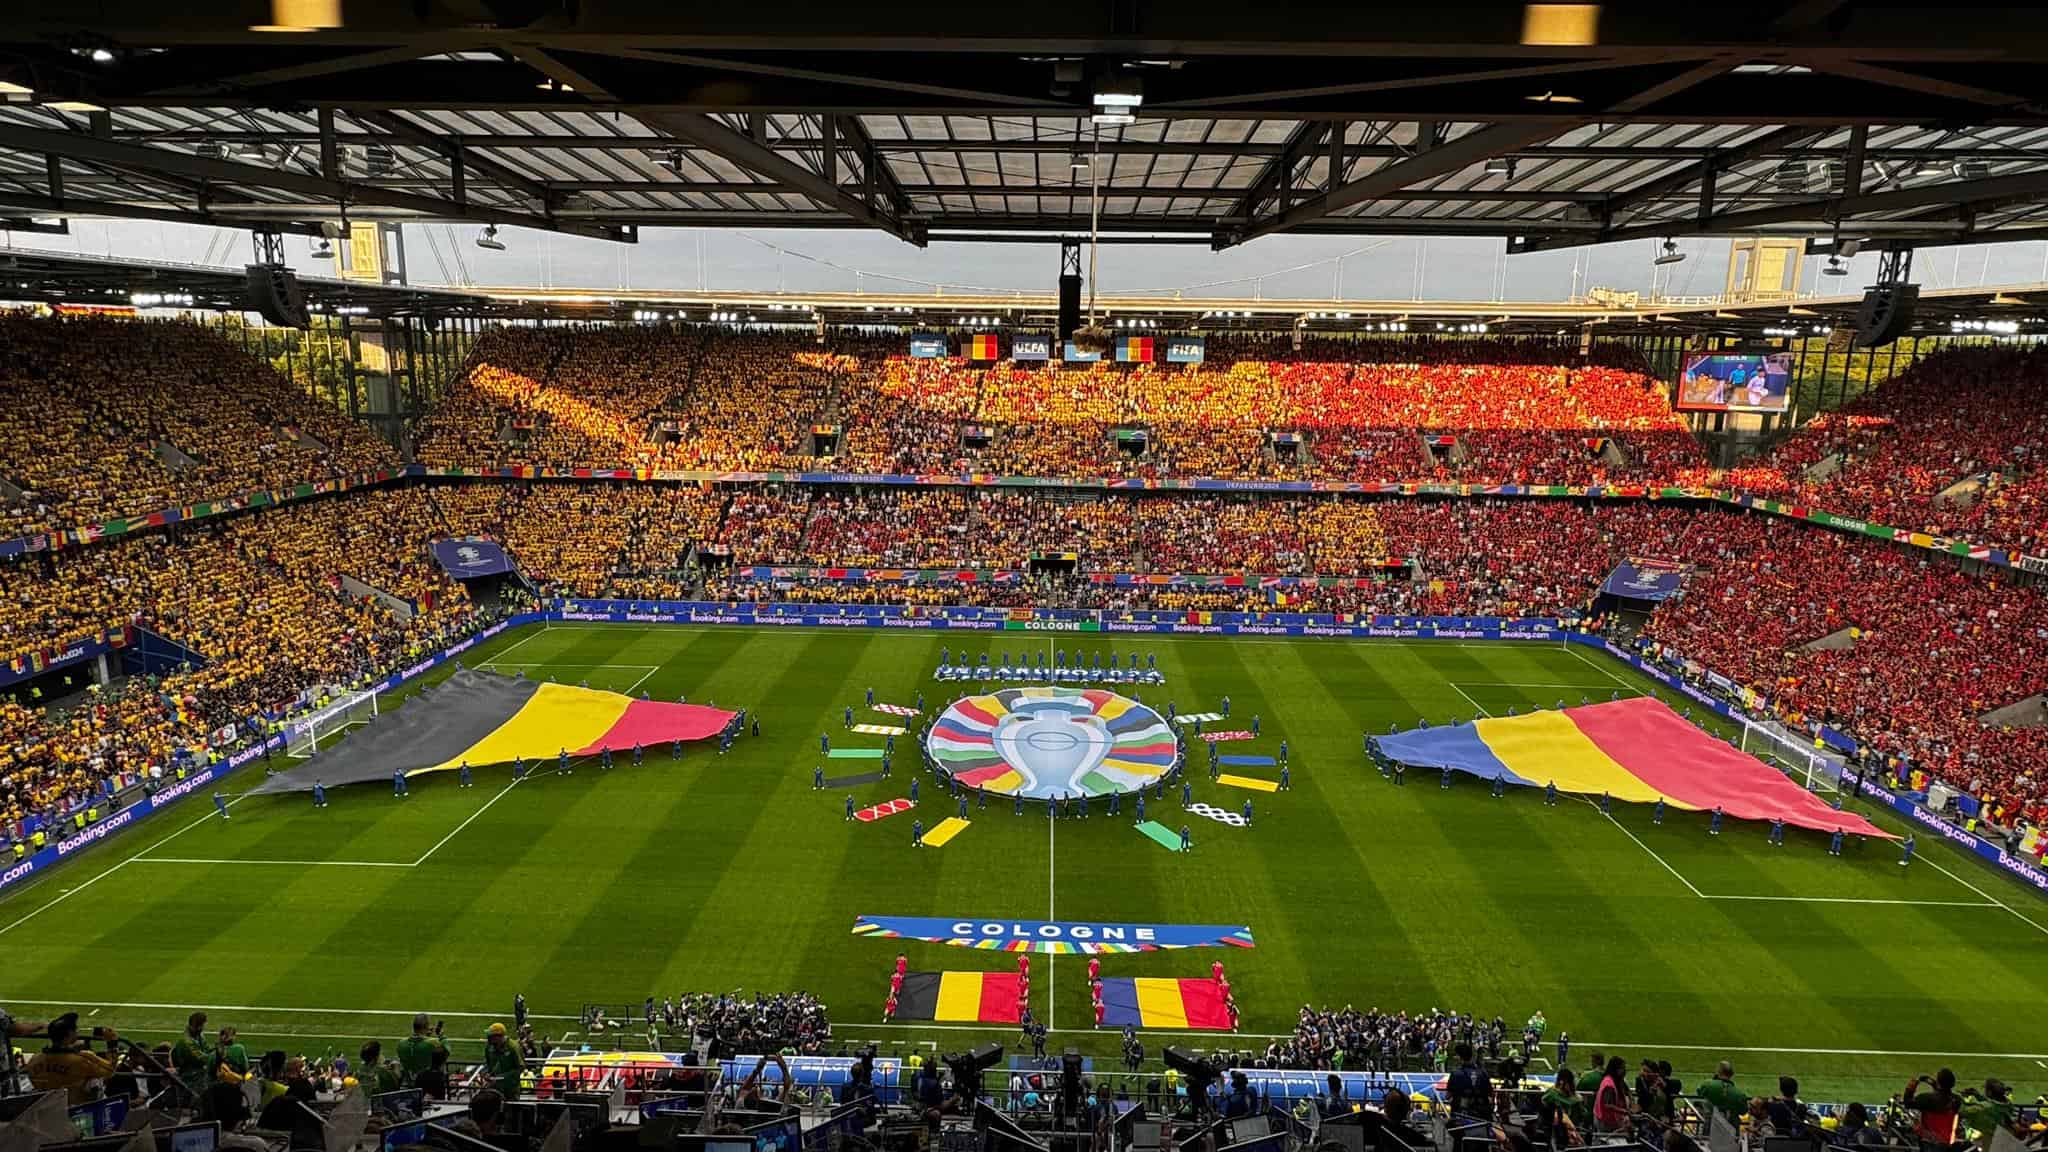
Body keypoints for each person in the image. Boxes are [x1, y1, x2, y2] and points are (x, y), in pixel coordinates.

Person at [26, 1013, 118, 1105]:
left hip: (46, 1108)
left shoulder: (34, 1060)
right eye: (75, 1029)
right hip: (74, 1110)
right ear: (70, 1033)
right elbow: (110, 1071)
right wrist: (112, 1043)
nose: (78, 1032)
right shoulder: (80, 1060)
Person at [1905, 1069, 1960, 1145]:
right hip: (1948, 1141)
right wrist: (1933, 1083)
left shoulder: (1926, 1098)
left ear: (1938, 1082)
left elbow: (1907, 1103)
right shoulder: (1957, 1100)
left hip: (1930, 1142)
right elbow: (1943, 1095)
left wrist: (1914, 1083)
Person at [397, 1013, 445, 1088]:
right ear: (426, 1027)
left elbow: (416, 1047)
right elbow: (445, 1053)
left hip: (408, 1086)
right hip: (427, 1087)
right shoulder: (433, 1043)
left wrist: (426, 1036)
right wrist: (442, 1036)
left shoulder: (401, 1043)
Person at [1696, 1061, 1744, 1127]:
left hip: (1710, 1127)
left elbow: (1699, 1094)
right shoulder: (1739, 1094)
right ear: (1731, 1074)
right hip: (1731, 1130)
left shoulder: (1707, 1084)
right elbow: (1743, 1111)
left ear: (1719, 1072)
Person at [483, 1023, 523, 1098]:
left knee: (511, 1107)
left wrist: (502, 1077)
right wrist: (486, 1073)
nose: (488, 1038)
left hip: (511, 1087)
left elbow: (520, 1067)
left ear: (499, 1036)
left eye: (490, 1036)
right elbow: (487, 1064)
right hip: (494, 1086)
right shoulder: (489, 1047)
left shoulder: (513, 1047)